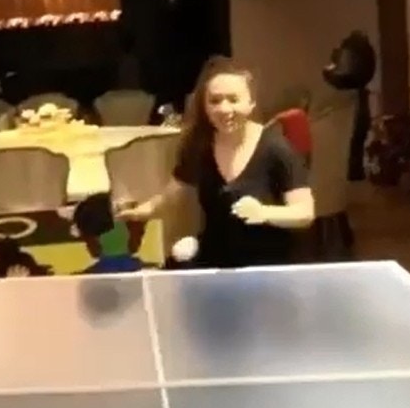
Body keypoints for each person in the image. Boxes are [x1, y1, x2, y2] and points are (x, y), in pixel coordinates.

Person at [119, 57, 315, 268]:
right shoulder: (199, 146)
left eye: (233, 99)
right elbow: (175, 191)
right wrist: (144, 210)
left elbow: (304, 212)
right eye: (215, 101)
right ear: (204, 106)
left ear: (251, 103)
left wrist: (264, 212)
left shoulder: (277, 149)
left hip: (268, 267)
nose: (224, 108)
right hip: (214, 264)